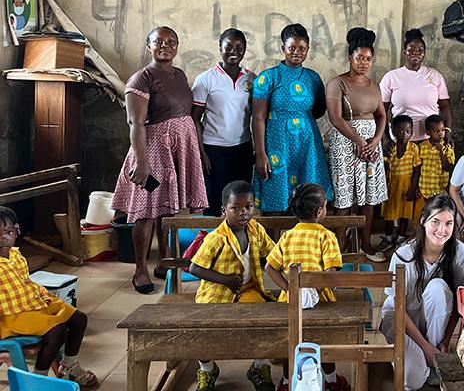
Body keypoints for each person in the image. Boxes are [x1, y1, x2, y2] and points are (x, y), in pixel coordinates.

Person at [113, 26, 207, 294]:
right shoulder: (141, 78)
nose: (165, 46)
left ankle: (164, 263)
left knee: (167, 208)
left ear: (177, 46)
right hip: (153, 152)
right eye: (158, 42)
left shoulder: (178, 75)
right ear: (148, 45)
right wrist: (142, 163)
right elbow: (135, 123)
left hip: (179, 150)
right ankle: (140, 270)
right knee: (145, 211)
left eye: (171, 42)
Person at [188, 181, 277, 391]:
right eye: (235, 208)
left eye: (248, 207)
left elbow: (273, 253)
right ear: (223, 211)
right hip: (218, 291)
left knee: (261, 320)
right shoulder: (216, 238)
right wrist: (225, 279)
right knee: (202, 326)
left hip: (248, 289)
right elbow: (194, 268)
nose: (243, 213)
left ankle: (259, 366)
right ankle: (207, 368)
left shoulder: (255, 230)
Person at [381, 195, 464, 390]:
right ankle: (428, 357)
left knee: (438, 288)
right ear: (423, 220)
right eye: (435, 222)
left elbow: (460, 301)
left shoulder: (459, 251)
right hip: (400, 318)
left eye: (449, 223)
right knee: (413, 380)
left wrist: (445, 341)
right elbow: (398, 307)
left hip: (434, 324)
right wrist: (426, 347)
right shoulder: (404, 254)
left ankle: (433, 359)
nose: (442, 230)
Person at [0, 207, 98, 386]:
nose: (2, 238)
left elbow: (25, 283)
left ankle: (69, 366)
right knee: (57, 331)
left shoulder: (16, 254)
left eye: (8, 232)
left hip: (34, 304)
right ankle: (39, 379)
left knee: (79, 318)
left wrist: (45, 298)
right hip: (12, 316)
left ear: (17, 231)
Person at [265, 183, 344, 390]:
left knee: (290, 342)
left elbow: (269, 268)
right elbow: (331, 273)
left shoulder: (287, 236)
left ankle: (285, 382)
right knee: (323, 341)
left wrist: (290, 289)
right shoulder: (327, 236)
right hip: (322, 304)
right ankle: (333, 381)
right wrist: (312, 291)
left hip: (290, 302)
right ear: (319, 212)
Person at [252, 24, 332, 213]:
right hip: (277, 143)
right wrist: (261, 153)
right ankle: (274, 242)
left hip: (306, 143)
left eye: (302, 48)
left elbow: (320, 108)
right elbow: (257, 116)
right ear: (283, 49)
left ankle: (302, 239)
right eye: (292, 48)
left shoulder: (313, 78)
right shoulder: (268, 77)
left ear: (308, 49)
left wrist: (303, 120)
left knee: (308, 199)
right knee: (275, 195)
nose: (296, 52)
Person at [325, 27, 389, 262]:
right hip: (345, 145)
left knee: (369, 197)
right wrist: (360, 140)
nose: (364, 62)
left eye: (368, 58)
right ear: (349, 58)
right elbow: (335, 118)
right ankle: (340, 249)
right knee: (344, 197)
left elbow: (382, 116)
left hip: (371, 147)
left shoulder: (374, 85)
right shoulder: (337, 83)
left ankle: (365, 245)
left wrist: (374, 141)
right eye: (359, 57)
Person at [191, 28, 256, 216]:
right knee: (214, 199)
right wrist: (201, 153)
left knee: (241, 199)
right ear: (220, 47)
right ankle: (211, 240)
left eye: (239, 47)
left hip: (242, 148)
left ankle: (237, 241)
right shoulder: (205, 80)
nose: (233, 51)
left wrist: (256, 148)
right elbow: (195, 117)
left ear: (244, 50)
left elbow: (257, 115)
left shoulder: (251, 79)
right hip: (214, 149)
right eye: (228, 46)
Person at [380, 28, 452, 142]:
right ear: (404, 52)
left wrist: (447, 131)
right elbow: (381, 111)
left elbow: (445, 106)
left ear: (424, 53)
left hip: (431, 140)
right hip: (400, 141)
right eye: (411, 49)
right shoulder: (391, 77)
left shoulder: (435, 75)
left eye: (420, 50)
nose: (416, 53)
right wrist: (385, 137)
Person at [381, 115, 423, 249]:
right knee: (389, 214)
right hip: (391, 186)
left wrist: (413, 189)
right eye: (400, 131)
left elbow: (417, 170)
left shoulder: (413, 149)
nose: (404, 134)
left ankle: (400, 237)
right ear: (393, 132)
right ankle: (388, 237)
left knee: (405, 214)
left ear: (411, 132)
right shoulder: (390, 148)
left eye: (408, 131)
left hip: (406, 187)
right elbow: (385, 167)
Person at [418, 114, 455, 200]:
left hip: (440, 191)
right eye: (437, 131)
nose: (441, 133)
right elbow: (418, 167)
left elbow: (448, 168)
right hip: (424, 190)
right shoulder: (422, 146)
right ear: (428, 132)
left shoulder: (447, 147)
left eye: (443, 130)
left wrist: (440, 152)